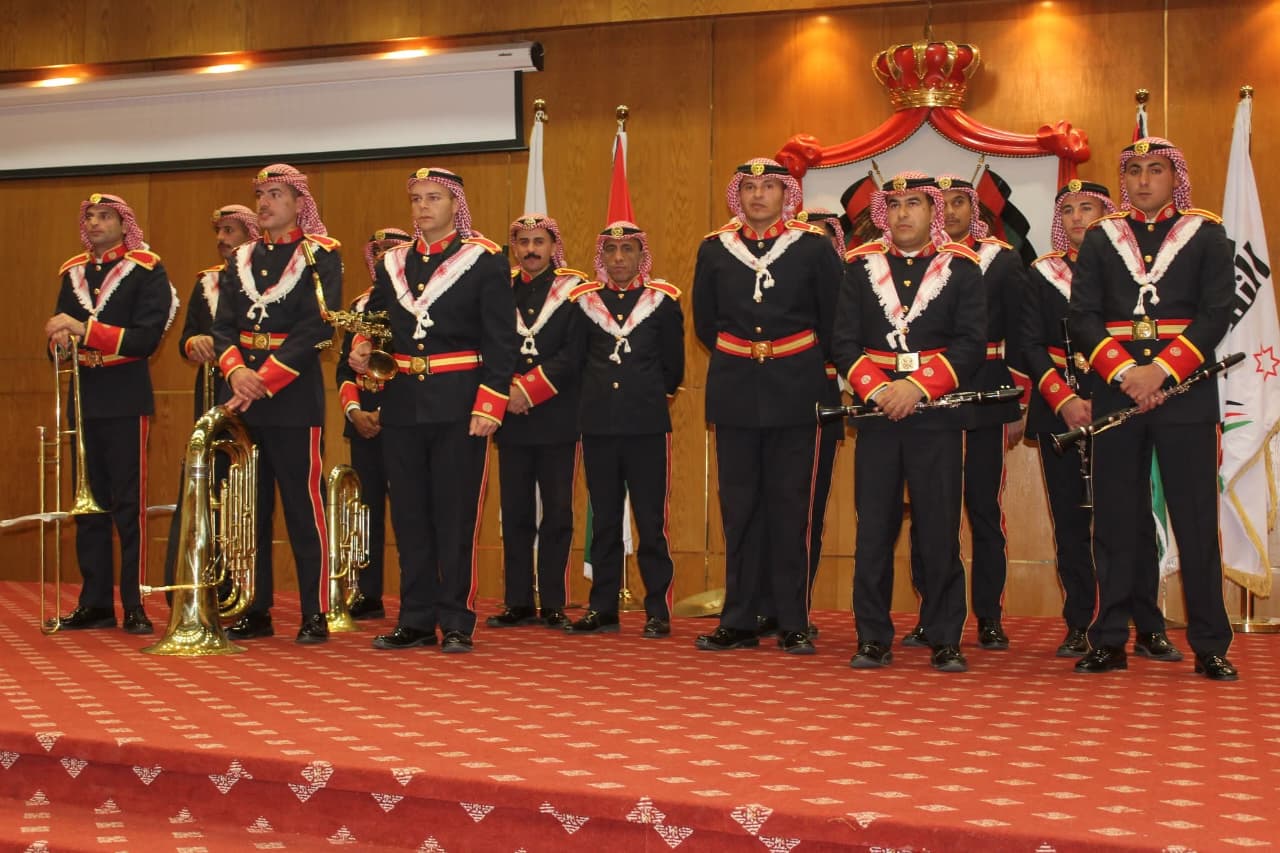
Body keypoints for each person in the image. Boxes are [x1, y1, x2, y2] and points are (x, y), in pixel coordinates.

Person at [1068, 138, 1237, 680]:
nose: (1143, 180)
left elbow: (1216, 314)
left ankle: (1210, 644)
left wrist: (1161, 371)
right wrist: (1126, 374)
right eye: (1135, 170)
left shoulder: (1206, 234)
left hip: (1185, 394)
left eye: (1156, 169)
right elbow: (1083, 316)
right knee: (1115, 521)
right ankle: (1109, 639)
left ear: (1174, 177)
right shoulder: (1102, 237)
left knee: (1195, 520)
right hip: (1116, 393)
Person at [350, 168, 516, 654]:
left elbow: (501, 339)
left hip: (459, 403)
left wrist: (490, 402)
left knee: (455, 516)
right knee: (409, 517)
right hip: (403, 403)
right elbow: (377, 320)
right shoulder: (393, 263)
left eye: (434, 198)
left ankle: (457, 619)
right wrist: (363, 345)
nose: (423, 207)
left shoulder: (483, 260)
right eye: (417, 199)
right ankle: (416, 619)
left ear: (455, 204)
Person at [833, 173, 986, 673]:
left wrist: (917, 387)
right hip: (878, 417)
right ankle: (873, 637)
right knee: (873, 532)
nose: (902, 213)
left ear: (934, 210)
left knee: (939, 530)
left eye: (914, 203)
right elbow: (843, 343)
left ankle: (945, 637)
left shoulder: (962, 268)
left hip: (936, 418)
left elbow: (971, 343)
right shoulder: (859, 267)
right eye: (894, 204)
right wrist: (881, 390)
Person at [1023, 180, 1182, 661]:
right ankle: (1081, 622)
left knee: (1133, 519)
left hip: (1120, 404)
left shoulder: (1128, 267)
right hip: (1062, 409)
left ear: (1107, 213)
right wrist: (1065, 401)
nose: (1076, 218)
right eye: (1067, 210)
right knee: (1071, 521)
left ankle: (1148, 625)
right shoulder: (1041, 273)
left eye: (1087, 208)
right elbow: (1029, 344)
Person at [690, 161, 840, 656]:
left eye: (769, 186)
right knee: (739, 511)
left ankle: (793, 620)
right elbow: (706, 322)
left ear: (785, 194)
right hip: (735, 389)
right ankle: (739, 619)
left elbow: (833, 319)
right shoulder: (715, 249)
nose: (758, 195)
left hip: (797, 390)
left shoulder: (813, 247)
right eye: (749, 187)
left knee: (791, 508)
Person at [212, 164, 342, 644]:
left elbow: (317, 328)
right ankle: (256, 607)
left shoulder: (321, 255)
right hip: (243, 399)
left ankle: (315, 611)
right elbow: (223, 326)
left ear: (299, 202)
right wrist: (236, 372)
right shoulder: (241, 258)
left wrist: (262, 379)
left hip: (292, 400)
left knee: (303, 509)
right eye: (261, 194)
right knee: (250, 509)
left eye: (276, 194)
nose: (264, 203)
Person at [902, 174, 1029, 651]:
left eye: (960, 202)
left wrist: (1018, 401)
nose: (951, 211)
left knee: (983, 509)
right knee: (928, 513)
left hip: (986, 398)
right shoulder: (915, 262)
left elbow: (1021, 333)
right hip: (928, 399)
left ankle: (989, 616)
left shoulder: (1002, 259)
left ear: (975, 209)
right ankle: (931, 614)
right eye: (944, 202)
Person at [44, 192, 177, 634]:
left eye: (105, 216)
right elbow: (59, 335)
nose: (95, 223)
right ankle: (95, 602)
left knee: (128, 505)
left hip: (125, 396)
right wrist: (58, 343)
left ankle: (134, 603)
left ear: (124, 224)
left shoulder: (146, 269)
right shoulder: (73, 272)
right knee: (88, 505)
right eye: (90, 217)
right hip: (84, 396)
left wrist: (84, 330)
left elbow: (145, 340)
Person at [564, 221, 684, 638]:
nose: (618, 258)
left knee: (651, 522)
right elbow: (576, 364)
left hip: (646, 426)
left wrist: (642, 396)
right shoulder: (583, 303)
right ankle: (603, 607)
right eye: (610, 251)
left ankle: (658, 610)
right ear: (601, 257)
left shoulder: (662, 302)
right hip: (599, 426)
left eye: (627, 250)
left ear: (641, 255)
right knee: (605, 520)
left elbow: (673, 369)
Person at [485, 215, 586, 631]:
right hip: (510, 417)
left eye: (539, 241)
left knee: (558, 513)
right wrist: (508, 390)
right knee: (515, 513)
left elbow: (575, 353)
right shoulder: (498, 288)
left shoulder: (574, 291)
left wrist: (528, 390)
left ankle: (555, 602)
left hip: (557, 415)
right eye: (523, 242)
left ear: (553, 246)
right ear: (514, 248)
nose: (531, 249)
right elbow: (490, 342)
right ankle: (518, 601)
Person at [162, 204, 259, 599]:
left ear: (251, 235)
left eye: (230, 231)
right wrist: (194, 343)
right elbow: (187, 339)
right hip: (212, 398)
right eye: (219, 231)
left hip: (256, 396)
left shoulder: (267, 281)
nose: (222, 239)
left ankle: (242, 588)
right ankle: (192, 587)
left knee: (246, 495)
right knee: (204, 487)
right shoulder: (207, 282)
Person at [335, 226, 413, 621]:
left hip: (401, 421)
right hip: (362, 422)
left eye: (391, 250)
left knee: (408, 511)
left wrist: (384, 413)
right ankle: (368, 594)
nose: (382, 257)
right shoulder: (359, 305)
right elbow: (342, 371)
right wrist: (355, 412)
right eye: (377, 251)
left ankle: (415, 594)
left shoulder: (414, 302)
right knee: (365, 512)